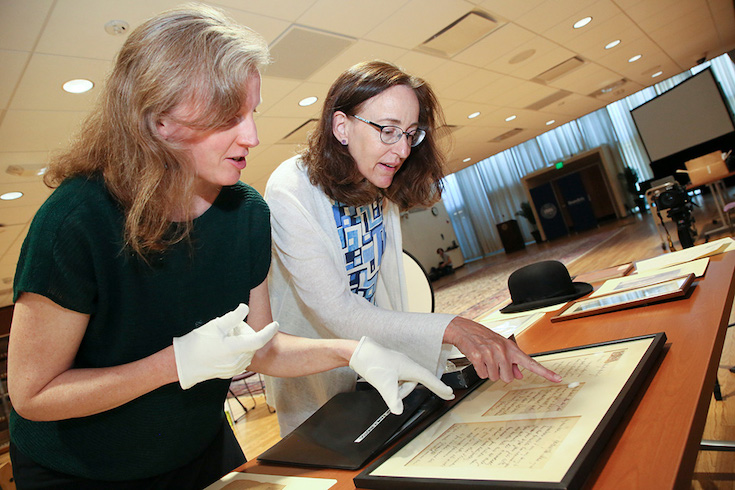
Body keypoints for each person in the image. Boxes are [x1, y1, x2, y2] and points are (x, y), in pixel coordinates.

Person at [6, 7, 453, 489]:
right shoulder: (75, 221)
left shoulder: (245, 213)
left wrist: (356, 353)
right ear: (160, 120)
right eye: (229, 117)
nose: (253, 137)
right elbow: (34, 393)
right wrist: (173, 364)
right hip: (82, 472)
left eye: (252, 112)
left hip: (197, 447)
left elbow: (264, 347)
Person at [264, 60, 562, 436]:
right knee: (328, 454)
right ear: (341, 127)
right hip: (314, 370)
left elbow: (385, 290)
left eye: (410, 133)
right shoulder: (290, 188)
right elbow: (335, 309)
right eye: (387, 131)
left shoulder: (379, 181)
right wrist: (453, 328)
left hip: (372, 355)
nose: (403, 149)